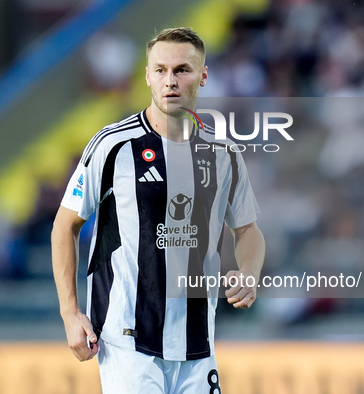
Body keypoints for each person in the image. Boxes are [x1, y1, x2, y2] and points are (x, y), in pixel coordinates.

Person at [52, 27, 265, 393]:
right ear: (147, 76)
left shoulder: (224, 153)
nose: (171, 81)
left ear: (203, 76)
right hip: (128, 341)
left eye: (182, 70)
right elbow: (64, 226)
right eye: (161, 70)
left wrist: (248, 271)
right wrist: (70, 314)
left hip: (198, 341)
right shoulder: (113, 146)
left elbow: (247, 230)